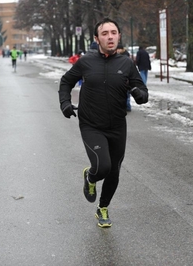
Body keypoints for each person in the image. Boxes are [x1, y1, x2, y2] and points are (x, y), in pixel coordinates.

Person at [58, 17, 148, 228]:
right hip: (91, 124)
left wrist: (137, 93)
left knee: (114, 171)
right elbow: (66, 82)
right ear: (97, 38)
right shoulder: (86, 62)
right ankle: (90, 177)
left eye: (114, 32)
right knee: (103, 166)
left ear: (118, 36)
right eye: (105, 33)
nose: (110, 37)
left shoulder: (126, 63)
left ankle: (102, 208)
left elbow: (143, 94)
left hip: (117, 126)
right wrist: (65, 103)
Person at [117, 44, 132, 111]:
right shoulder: (125, 55)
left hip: (125, 76)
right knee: (125, 92)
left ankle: (127, 106)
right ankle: (126, 106)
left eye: (119, 49)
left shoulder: (124, 56)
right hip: (123, 76)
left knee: (126, 93)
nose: (118, 50)